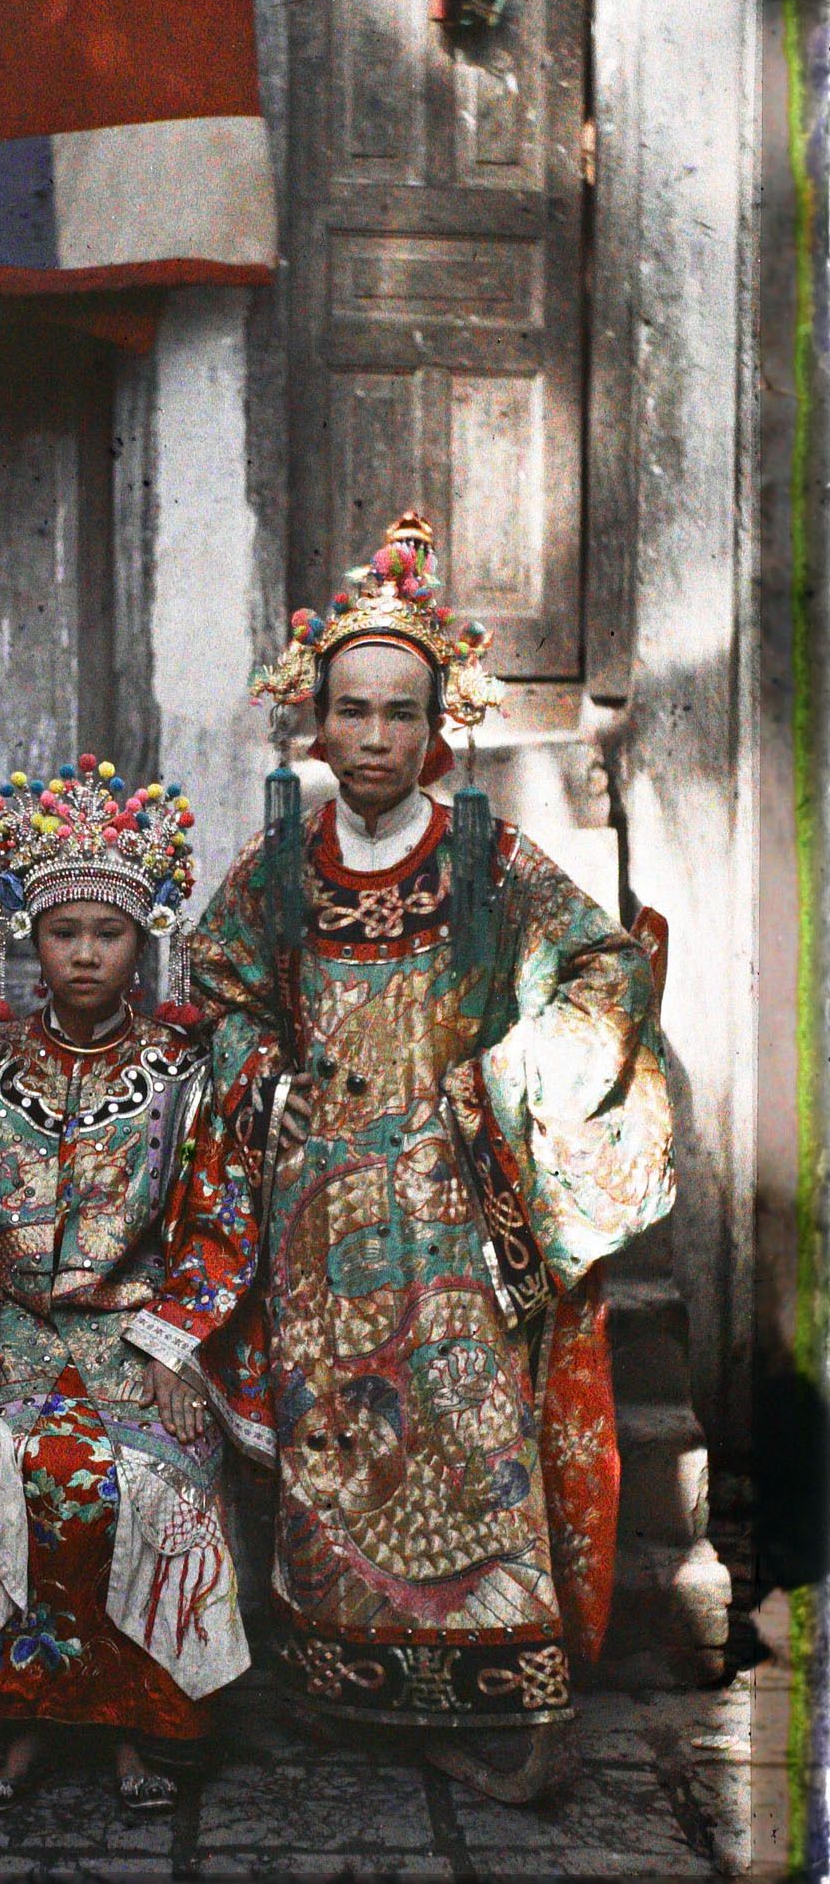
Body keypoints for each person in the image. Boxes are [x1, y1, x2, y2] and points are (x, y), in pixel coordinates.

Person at [189, 513, 675, 1804]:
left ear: (435, 728)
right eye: (350, 711)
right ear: (315, 720)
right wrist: (262, 1080)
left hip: (452, 1214)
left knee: (470, 1438)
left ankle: (513, 1708)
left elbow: (601, 969)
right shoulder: (277, 872)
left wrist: (507, 1086)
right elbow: (218, 989)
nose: (371, 740)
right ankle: (341, 1689)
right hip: (315, 1221)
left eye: (398, 715)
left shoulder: (484, 864)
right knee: (329, 1453)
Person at [0, 755, 272, 1812]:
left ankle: (134, 1725)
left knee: (146, 1476)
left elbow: (219, 1226)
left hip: (136, 1339)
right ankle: (19, 1721)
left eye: (107, 932)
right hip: (15, 1336)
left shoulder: (183, 1076)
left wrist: (174, 1347)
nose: (84, 952)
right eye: (63, 929)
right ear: (31, 935)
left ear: (141, 939)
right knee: (1, 1459)